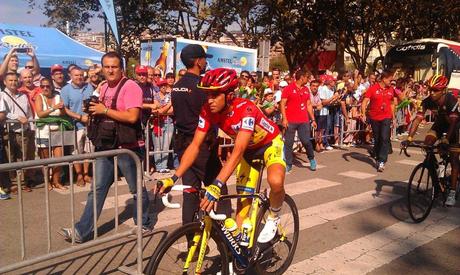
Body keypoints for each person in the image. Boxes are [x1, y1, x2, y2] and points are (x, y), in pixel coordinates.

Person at [156, 68, 286, 243]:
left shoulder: (245, 109)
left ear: (230, 94)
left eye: (215, 95)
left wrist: (217, 185)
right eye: (207, 95)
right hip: (248, 151)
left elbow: (238, 150)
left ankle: (273, 216)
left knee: (276, 181)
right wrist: (173, 177)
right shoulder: (207, 111)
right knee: (242, 208)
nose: (209, 100)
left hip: (269, 144)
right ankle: (241, 255)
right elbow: (195, 145)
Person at [60, 51, 152, 243]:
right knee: (97, 189)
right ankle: (81, 231)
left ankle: (142, 223)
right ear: (102, 68)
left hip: (129, 148)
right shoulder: (103, 88)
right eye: (107, 66)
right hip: (106, 146)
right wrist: (94, 111)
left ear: (122, 68)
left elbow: (133, 117)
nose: (110, 70)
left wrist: (105, 110)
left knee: (136, 190)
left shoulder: (131, 87)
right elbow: (103, 113)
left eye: (114, 67)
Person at [170, 44, 229, 226]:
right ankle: (227, 243)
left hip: (182, 144)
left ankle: (191, 240)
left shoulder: (176, 86)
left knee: (190, 192)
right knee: (221, 191)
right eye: (204, 58)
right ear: (197, 61)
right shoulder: (203, 87)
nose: (206, 62)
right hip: (201, 145)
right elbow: (210, 116)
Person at [402, 74, 458, 206]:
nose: (432, 93)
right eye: (430, 89)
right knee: (427, 145)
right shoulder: (427, 101)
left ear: (443, 90)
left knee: (454, 158)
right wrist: (409, 138)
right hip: (439, 125)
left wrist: (446, 140)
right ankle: (436, 174)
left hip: (454, 127)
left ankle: (452, 192)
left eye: (435, 90)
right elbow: (417, 119)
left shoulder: (451, 100)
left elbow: (454, 122)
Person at [361, 70, 405, 172]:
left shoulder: (391, 89)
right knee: (377, 138)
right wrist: (363, 114)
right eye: (390, 80)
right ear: (384, 79)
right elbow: (365, 102)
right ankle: (376, 153)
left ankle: (382, 161)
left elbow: (395, 102)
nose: (391, 82)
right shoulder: (372, 89)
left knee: (385, 138)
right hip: (374, 117)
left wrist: (393, 117)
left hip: (386, 116)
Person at [2, 72, 35, 192]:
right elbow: (3, 112)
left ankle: (22, 182)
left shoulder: (23, 96)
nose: (13, 83)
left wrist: (31, 127)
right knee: (10, 158)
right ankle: (12, 184)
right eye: (10, 80)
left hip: (23, 131)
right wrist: (16, 117)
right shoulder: (2, 95)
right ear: (5, 82)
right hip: (8, 131)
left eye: (15, 80)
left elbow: (28, 112)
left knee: (23, 157)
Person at [61, 66, 94, 186]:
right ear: (70, 76)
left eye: (81, 75)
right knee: (76, 152)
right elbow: (64, 109)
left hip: (90, 125)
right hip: (76, 126)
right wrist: (79, 117)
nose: (79, 77)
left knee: (88, 151)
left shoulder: (88, 86)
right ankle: (79, 175)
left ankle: (86, 174)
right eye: (76, 75)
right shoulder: (65, 90)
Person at [280, 69, 317, 172]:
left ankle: (312, 159)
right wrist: (284, 119)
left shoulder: (306, 89)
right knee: (289, 143)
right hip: (290, 121)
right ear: (302, 78)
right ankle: (288, 164)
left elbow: (308, 104)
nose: (308, 80)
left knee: (306, 141)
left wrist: (313, 119)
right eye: (307, 77)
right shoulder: (288, 88)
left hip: (303, 120)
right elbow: (282, 104)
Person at [34, 78, 68, 190]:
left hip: (57, 130)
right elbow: (40, 114)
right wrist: (54, 107)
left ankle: (56, 181)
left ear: (52, 87)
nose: (45, 88)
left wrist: (62, 109)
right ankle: (47, 182)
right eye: (42, 86)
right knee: (46, 160)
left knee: (59, 158)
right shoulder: (39, 97)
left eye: (47, 86)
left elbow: (62, 113)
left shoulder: (58, 96)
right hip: (43, 132)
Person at [152, 79, 174, 173]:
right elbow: (157, 111)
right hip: (158, 123)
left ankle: (164, 166)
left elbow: (172, 111)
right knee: (158, 146)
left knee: (166, 146)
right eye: (161, 85)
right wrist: (168, 105)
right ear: (158, 87)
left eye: (165, 85)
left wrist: (163, 109)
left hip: (169, 123)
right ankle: (158, 166)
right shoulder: (155, 96)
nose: (163, 87)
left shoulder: (170, 96)